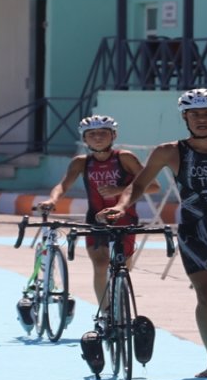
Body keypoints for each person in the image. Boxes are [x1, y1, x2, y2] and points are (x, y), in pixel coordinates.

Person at [99, 88, 207, 379]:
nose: (201, 119)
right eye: (195, 114)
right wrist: (120, 206)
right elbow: (139, 185)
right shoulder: (168, 151)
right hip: (194, 234)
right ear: (185, 117)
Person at [37, 115, 156, 303]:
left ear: (113, 135)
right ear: (84, 139)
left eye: (103, 133)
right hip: (95, 219)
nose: (98, 137)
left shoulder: (125, 158)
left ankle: (119, 310)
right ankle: (105, 314)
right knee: (100, 266)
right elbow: (63, 185)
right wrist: (52, 200)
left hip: (124, 219)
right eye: (92, 134)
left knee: (122, 268)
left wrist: (118, 190)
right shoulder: (81, 162)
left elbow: (153, 186)